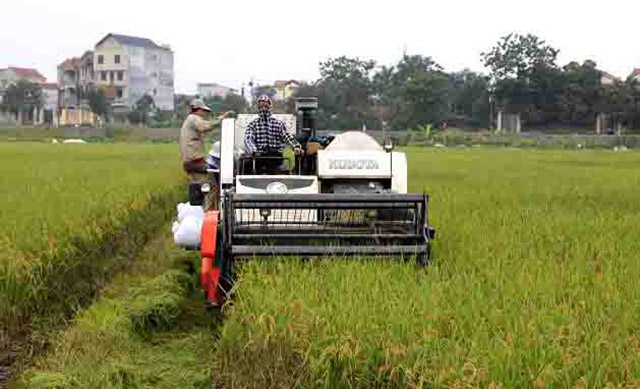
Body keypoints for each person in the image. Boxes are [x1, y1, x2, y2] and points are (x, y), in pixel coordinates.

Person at [179, 98, 234, 210]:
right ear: (197, 109)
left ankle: (209, 211)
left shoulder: (190, 120)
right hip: (194, 161)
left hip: (192, 161)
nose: (204, 113)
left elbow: (205, 128)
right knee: (211, 186)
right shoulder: (194, 118)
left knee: (207, 186)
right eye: (203, 111)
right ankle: (210, 213)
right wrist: (221, 119)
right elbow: (206, 126)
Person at [244, 95, 303, 171]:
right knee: (247, 168)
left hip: (276, 157)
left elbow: (286, 136)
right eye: (261, 106)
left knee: (282, 170)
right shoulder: (253, 125)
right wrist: (253, 151)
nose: (263, 108)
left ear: (270, 107)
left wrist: (295, 147)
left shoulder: (278, 124)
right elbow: (248, 139)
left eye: (266, 106)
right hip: (259, 157)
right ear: (258, 108)